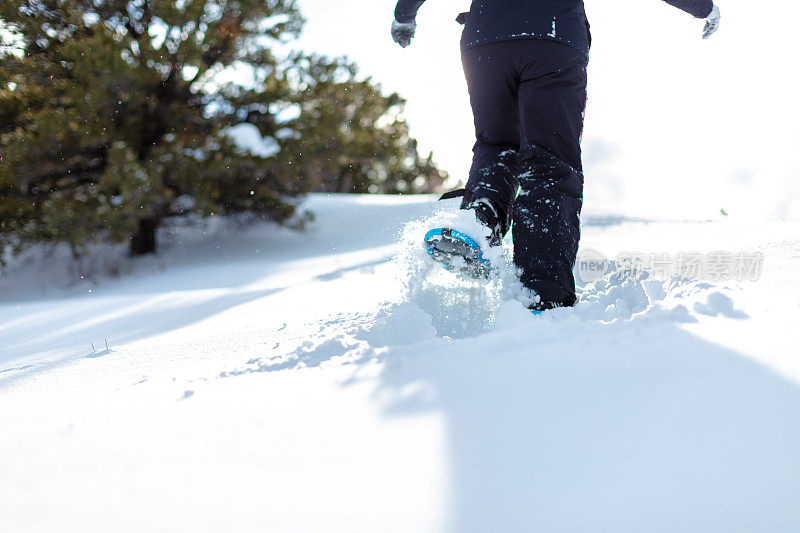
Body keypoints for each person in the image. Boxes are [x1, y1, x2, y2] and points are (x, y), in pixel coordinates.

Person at [391, 0, 721, 311]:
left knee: (496, 143)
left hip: (486, 38)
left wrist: (404, 15)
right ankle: (542, 287)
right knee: (549, 157)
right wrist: (702, 7)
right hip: (551, 36)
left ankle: (479, 220)